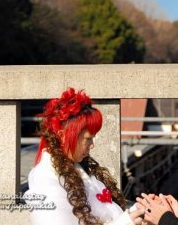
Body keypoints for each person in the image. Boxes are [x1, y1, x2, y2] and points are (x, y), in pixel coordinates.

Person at [24, 87, 145, 225]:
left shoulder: (79, 168)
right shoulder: (45, 179)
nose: (92, 145)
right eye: (88, 139)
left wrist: (137, 211)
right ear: (63, 136)